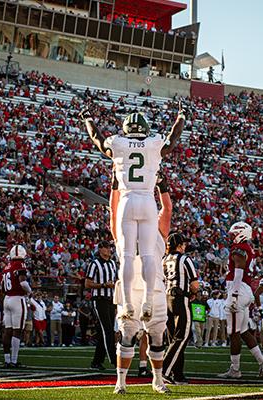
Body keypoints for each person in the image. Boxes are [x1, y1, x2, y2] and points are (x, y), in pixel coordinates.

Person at [81, 103, 185, 321]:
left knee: (127, 255)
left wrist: (88, 119)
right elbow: (173, 139)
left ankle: (128, 303)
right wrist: (181, 117)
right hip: (147, 200)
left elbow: (97, 138)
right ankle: (147, 300)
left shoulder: (118, 143)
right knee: (148, 254)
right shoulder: (153, 142)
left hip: (127, 200)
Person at [111, 175, 172, 394]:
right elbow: (114, 213)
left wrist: (161, 188)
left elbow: (166, 211)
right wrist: (115, 187)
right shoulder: (123, 230)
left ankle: (157, 380)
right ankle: (121, 382)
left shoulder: (157, 233)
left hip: (153, 289)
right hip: (132, 291)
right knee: (127, 336)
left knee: (156, 336)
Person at [218, 221, 263, 379]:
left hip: (238, 291)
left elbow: (238, 274)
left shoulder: (240, 249)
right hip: (245, 291)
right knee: (244, 331)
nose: (232, 237)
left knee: (233, 332)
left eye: (234, 234)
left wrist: (233, 296)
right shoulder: (248, 248)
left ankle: (235, 369)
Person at [162, 232, 199, 384]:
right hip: (180, 299)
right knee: (182, 336)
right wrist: (193, 293)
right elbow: (195, 284)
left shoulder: (164, 260)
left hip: (166, 299)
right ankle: (164, 370)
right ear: (179, 246)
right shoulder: (185, 259)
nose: (185, 246)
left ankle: (177, 374)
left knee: (173, 338)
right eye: (183, 244)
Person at [85, 240, 117, 369]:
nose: (109, 250)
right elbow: (87, 284)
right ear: (100, 249)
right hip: (99, 300)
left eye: (110, 247)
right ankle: (114, 360)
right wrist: (103, 285)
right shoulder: (95, 264)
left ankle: (96, 361)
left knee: (103, 331)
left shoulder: (113, 264)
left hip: (110, 300)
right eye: (107, 248)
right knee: (107, 330)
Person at [2, 244, 32, 367]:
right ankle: (14, 360)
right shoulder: (20, 264)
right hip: (17, 299)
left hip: (7, 298)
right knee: (17, 330)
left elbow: (2, 287)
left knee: (7, 330)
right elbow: (23, 282)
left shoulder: (6, 267)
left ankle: (7, 360)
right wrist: (30, 291)